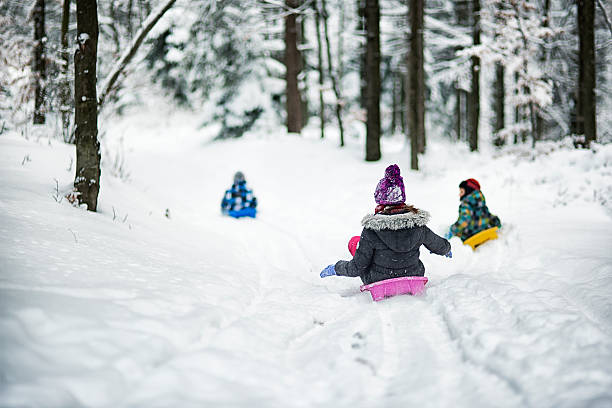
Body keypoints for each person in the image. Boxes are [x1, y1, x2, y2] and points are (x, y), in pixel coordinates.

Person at [320, 164, 451, 285]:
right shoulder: (418, 226)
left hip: (378, 280)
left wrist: (336, 268)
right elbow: (439, 245)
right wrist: (446, 249)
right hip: (413, 275)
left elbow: (357, 267)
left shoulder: (372, 230)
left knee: (355, 242)